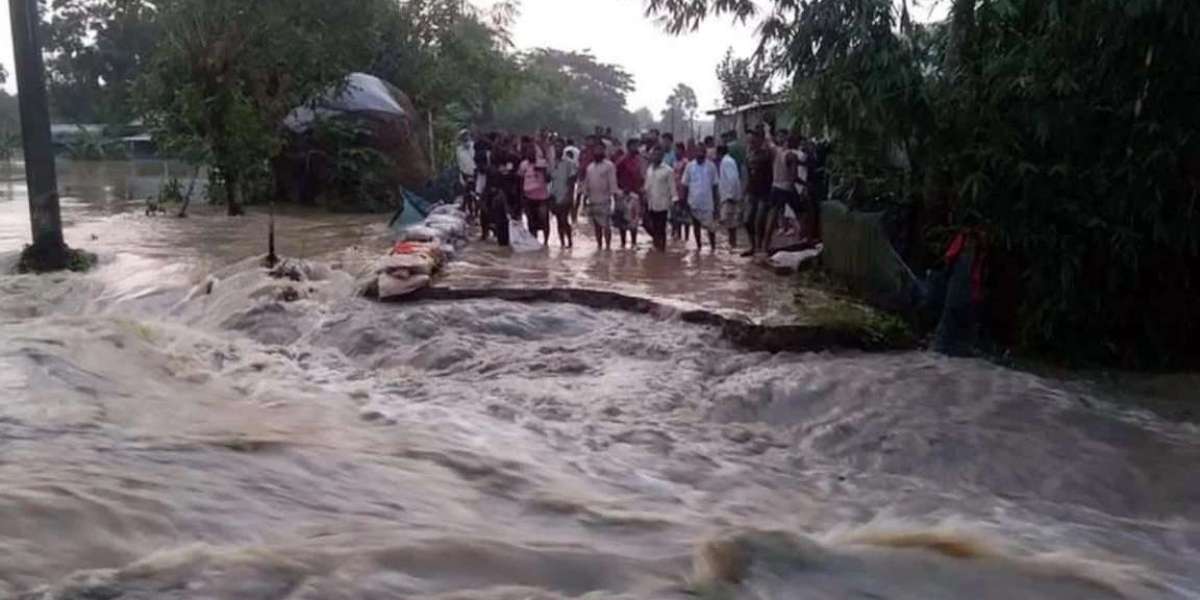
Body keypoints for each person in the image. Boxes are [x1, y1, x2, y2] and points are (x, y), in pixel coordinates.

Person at [763, 131, 808, 253]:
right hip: (787, 188)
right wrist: (804, 184)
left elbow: (769, 141)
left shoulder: (776, 151)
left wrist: (767, 130)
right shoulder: (792, 156)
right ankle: (803, 240)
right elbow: (794, 176)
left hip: (775, 187)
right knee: (801, 214)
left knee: (772, 216)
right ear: (794, 143)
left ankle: (765, 246)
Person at [743, 127, 774, 256]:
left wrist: (767, 133)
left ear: (760, 140)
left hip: (764, 191)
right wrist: (744, 189)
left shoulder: (766, 153)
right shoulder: (749, 154)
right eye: (750, 141)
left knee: (759, 220)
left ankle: (760, 247)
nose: (751, 143)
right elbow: (747, 173)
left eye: (753, 140)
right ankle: (753, 246)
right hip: (752, 191)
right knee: (747, 220)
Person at [681, 145, 719, 251]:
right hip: (693, 202)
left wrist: (717, 204)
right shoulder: (689, 166)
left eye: (702, 152)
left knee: (711, 228)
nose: (700, 154)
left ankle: (713, 248)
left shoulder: (711, 166)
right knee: (696, 226)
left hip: (708, 202)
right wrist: (684, 202)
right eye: (698, 152)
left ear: (705, 153)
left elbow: (715, 186)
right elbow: (685, 185)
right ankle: (698, 247)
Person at [582, 141, 618, 250]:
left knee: (606, 226)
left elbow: (613, 183)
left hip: (605, 200)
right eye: (596, 149)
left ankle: (607, 247)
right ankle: (599, 246)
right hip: (593, 200)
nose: (598, 152)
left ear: (604, 151)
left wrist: (614, 200)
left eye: (600, 149)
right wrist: (584, 198)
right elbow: (586, 183)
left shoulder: (609, 166)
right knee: (597, 226)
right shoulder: (590, 167)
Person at [643, 146, 675, 252]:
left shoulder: (668, 170)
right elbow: (647, 186)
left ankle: (661, 251)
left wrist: (674, 202)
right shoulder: (649, 169)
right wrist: (644, 196)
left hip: (663, 204)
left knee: (661, 229)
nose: (655, 156)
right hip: (651, 203)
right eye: (654, 154)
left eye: (658, 154)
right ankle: (657, 244)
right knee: (647, 225)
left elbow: (672, 188)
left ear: (662, 156)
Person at [615, 138, 645, 249]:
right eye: (634, 146)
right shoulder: (622, 160)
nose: (636, 148)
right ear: (629, 147)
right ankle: (623, 243)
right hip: (624, 193)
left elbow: (641, 176)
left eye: (637, 146)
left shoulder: (639, 160)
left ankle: (633, 243)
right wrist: (620, 188)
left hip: (636, 194)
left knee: (634, 220)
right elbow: (615, 175)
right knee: (623, 220)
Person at [518, 146, 551, 245]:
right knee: (530, 220)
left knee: (544, 218)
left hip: (542, 197)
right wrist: (521, 195)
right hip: (528, 197)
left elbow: (549, 179)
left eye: (532, 152)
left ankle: (546, 242)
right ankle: (534, 241)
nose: (530, 154)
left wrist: (543, 171)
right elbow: (520, 179)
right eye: (528, 153)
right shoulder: (523, 164)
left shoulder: (542, 163)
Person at [549, 144, 577, 248]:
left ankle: (569, 241)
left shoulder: (569, 163)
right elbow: (548, 178)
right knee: (558, 221)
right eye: (556, 147)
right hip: (553, 195)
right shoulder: (551, 162)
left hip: (565, 195)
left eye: (559, 147)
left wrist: (569, 196)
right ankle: (562, 243)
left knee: (564, 219)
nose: (557, 149)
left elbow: (572, 180)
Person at [717, 144, 742, 249]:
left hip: (729, 196)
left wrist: (730, 195)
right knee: (730, 222)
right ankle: (732, 244)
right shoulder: (728, 161)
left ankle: (733, 244)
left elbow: (732, 179)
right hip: (728, 195)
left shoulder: (726, 162)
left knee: (729, 221)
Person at [669, 142, 691, 242]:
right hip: (675, 192)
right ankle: (676, 237)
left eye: (678, 150)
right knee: (675, 217)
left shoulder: (686, 163)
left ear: (682, 151)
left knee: (685, 219)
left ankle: (686, 238)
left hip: (684, 193)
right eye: (675, 150)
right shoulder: (673, 162)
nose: (676, 152)